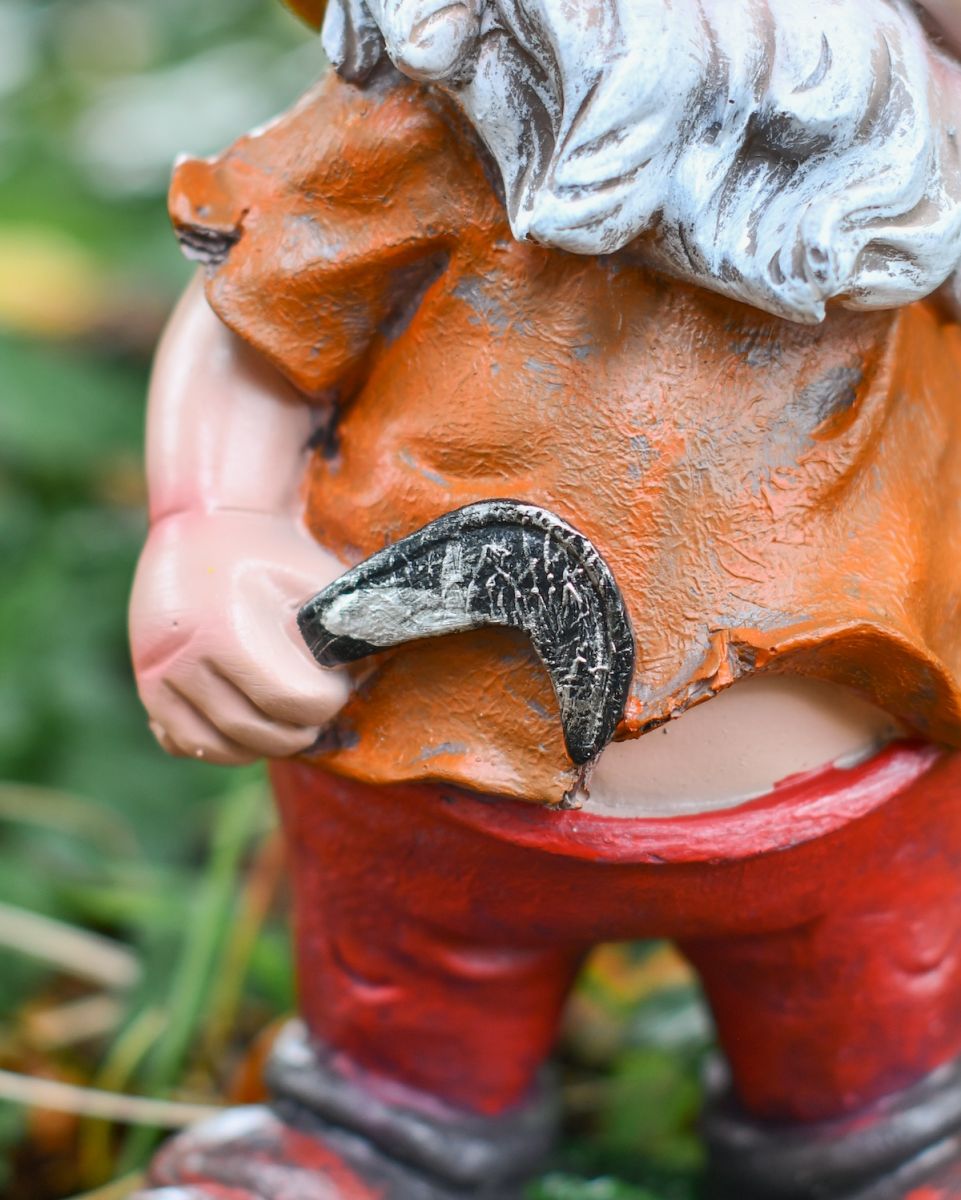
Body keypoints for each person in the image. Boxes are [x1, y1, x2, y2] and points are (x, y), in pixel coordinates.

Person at [130, 2, 961, 1195]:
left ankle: (884, 1143)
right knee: (403, 1035)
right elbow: (259, 314)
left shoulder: (918, 170)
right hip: (431, 776)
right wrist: (211, 521)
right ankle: (374, 1134)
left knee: (869, 1063)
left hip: (865, 813)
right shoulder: (435, 123)